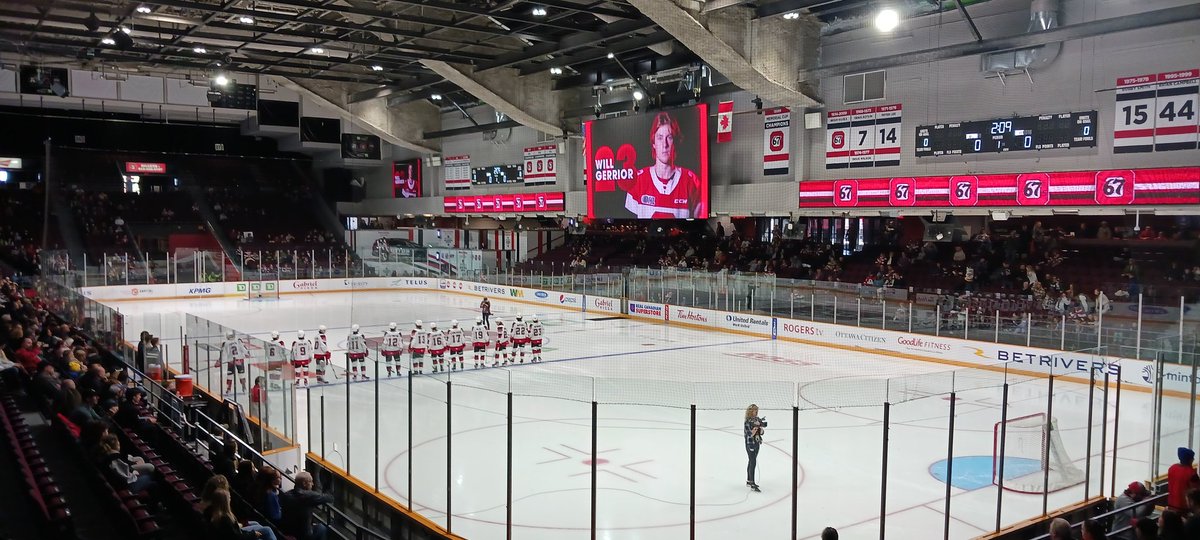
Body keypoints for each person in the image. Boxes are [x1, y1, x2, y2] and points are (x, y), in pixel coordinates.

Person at [620, 111, 704, 218]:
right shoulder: (637, 180)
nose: (665, 144)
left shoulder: (691, 182)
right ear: (653, 143)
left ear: (676, 141)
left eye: (669, 137)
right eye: (659, 138)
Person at [205, 488, 277, 540]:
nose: (230, 499)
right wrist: (253, 534)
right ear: (225, 501)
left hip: (236, 534)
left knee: (256, 524)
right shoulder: (225, 518)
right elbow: (237, 536)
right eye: (229, 498)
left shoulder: (212, 511)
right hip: (238, 537)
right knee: (267, 529)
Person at [281, 471, 333, 540]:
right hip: (304, 536)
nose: (313, 484)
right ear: (304, 483)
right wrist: (327, 485)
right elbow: (329, 498)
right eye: (311, 481)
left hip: (289, 532)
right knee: (322, 528)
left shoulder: (286, 495)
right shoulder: (309, 496)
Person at [1167, 447, 1200, 512]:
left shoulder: (1172, 468)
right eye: (1192, 458)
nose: (1193, 459)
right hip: (1184, 507)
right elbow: (1197, 490)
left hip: (1171, 504)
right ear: (1190, 460)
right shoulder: (1192, 473)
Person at [744, 404, 765, 492]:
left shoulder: (757, 420)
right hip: (750, 443)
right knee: (753, 461)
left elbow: (762, 432)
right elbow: (750, 434)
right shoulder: (747, 422)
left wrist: (760, 428)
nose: (756, 412)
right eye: (754, 411)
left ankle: (749, 480)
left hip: (756, 442)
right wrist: (756, 427)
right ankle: (752, 482)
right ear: (750, 412)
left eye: (756, 410)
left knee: (752, 460)